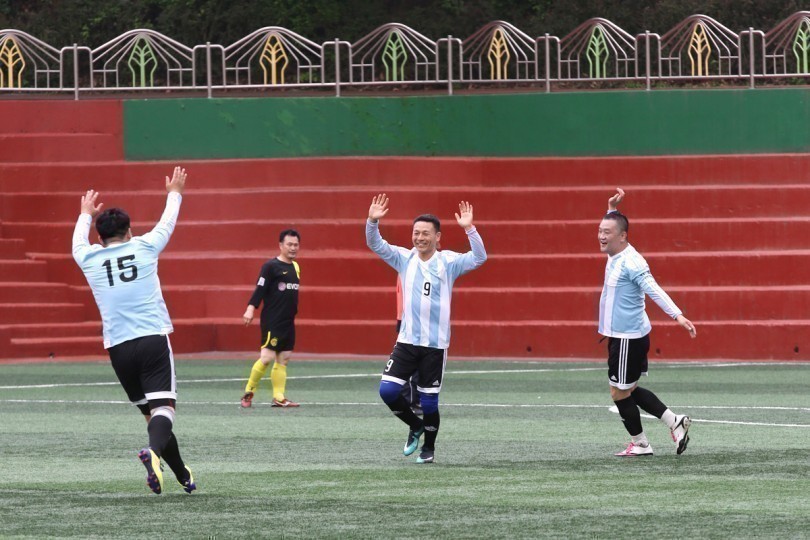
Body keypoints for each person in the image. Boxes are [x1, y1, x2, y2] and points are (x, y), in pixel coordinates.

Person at [71, 166, 195, 495]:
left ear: (100, 238)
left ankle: (182, 474)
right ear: (128, 231)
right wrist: (175, 192)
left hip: (118, 348)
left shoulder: (89, 259)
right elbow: (167, 222)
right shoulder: (144, 246)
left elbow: (77, 243)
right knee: (164, 409)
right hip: (152, 338)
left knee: (151, 417)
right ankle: (153, 453)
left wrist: (84, 214)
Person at [366, 194, 486, 464]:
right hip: (407, 341)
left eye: (425, 233)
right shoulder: (403, 258)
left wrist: (469, 228)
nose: (420, 238)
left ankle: (429, 447)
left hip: (435, 345)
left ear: (437, 237)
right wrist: (372, 221)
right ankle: (415, 425)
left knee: (429, 402)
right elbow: (374, 243)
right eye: (416, 233)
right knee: (387, 391)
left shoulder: (448, 262)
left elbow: (480, 257)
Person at [598, 187, 697, 457]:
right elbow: (614, 225)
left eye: (607, 232)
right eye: (600, 231)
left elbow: (654, 289)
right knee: (628, 389)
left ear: (623, 236)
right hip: (624, 335)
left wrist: (677, 315)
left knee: (619, 393)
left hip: (627, 337)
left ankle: (641, 444)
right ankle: (675, 422)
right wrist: (611, 209)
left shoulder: (632, 262)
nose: (601, 236)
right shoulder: (616, 251)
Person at [240, 229, 301, 408]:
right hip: (272, 320)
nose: (293, 248)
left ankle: (279, 397)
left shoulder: (296, 267)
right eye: (289, 244)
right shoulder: (270, 267)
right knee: (266, 358)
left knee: (284, 358)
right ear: (281, 245)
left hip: (288, 321)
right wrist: (250, 309)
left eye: (296, 245)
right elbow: (260, 289)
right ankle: (249, 392)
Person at [396, 275, 421, 415]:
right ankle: (409, 402)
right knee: (411, 362)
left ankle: (414, 400)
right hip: (409, 319)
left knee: (418, 361)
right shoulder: (409, 266)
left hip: (410, 317)